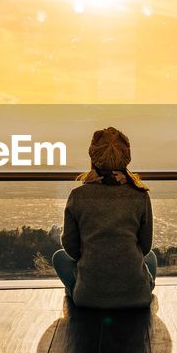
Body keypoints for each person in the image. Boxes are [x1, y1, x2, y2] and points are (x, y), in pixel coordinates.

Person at [51, 127, 157, 309]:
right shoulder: (139, 195)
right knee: (151, 258)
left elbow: (70, 246)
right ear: (126, 157)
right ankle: (137, 287)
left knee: (59, 257)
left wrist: (92, 258)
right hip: (137, 298)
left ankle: (80, 288)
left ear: (93, 156)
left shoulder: (78, 195)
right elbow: (145, 246)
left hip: (88, 298)